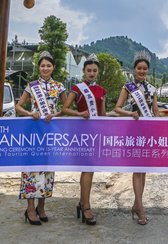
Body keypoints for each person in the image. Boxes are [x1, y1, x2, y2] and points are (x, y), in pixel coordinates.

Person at [15, 50, 65, 227]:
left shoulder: (59, 86)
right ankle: (30, 208)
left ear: (53, 67)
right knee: (31, 168)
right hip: (33, 131)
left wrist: (55, 114)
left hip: (50, 131)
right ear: (39, 67)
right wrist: (30, 112)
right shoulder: (31, 86)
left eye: (48, 65)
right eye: (42, 65)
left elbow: (66, 108)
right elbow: (18, 106)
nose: (45, 68)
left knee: (47, 168)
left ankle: (41, 207)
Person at [113, 50, 159, 225]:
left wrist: (166, 122)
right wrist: (129, 112)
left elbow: (155, 112)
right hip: (133, 132)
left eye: (145, 69)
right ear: (134, 69)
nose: (142, 71)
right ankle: (141, 209)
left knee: (143, 171)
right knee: (137, 170)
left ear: (148, 70)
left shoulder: (153, 89)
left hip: (147, 133)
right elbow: (117, 108)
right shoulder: (128, 88)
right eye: (139, 68)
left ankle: (136, 204)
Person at [60, 54, 106, 226]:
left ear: (98, 71)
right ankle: (86, 206)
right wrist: (79, 113)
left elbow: (103, 115)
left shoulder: (101, 90)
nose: (92, 73)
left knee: (90, 169)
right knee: (87, 168)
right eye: (89, 70)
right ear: (83, 71)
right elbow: (65, 109)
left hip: (96, 133)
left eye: (94, 71)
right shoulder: (77, 88)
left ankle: (82, 202)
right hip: (82, 133)